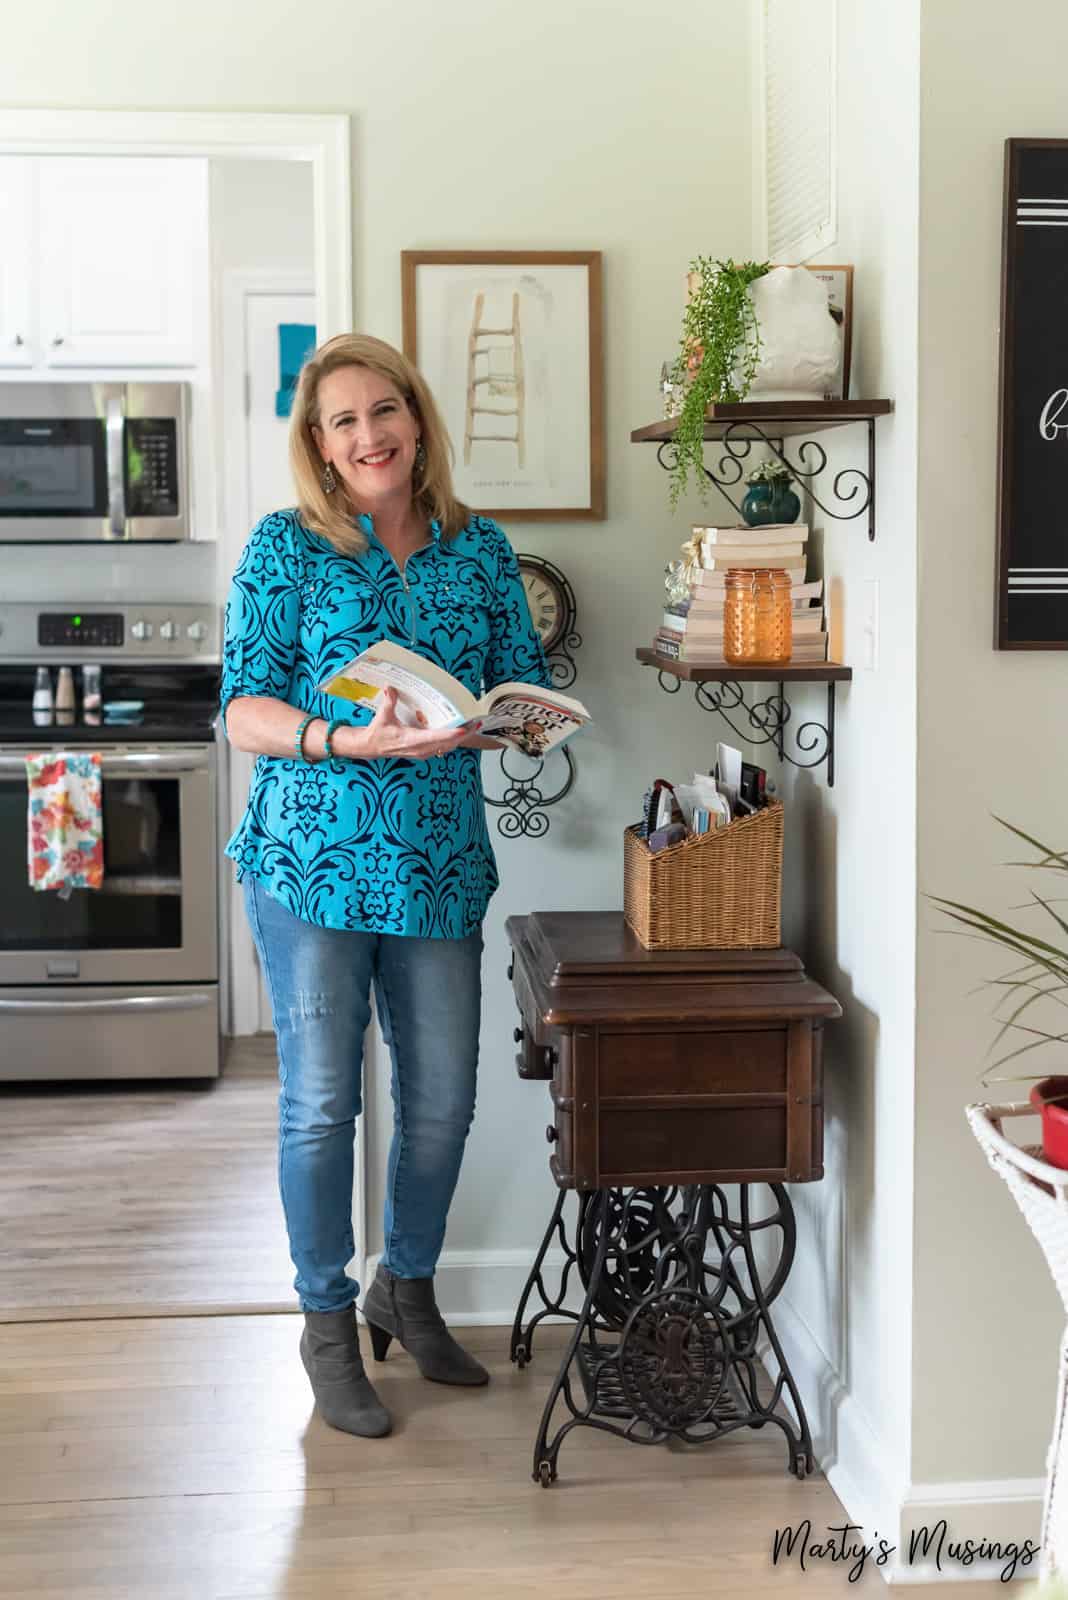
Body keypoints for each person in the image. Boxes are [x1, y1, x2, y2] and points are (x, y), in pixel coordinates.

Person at [221, 332, 551, 1439]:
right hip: (309, 865)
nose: (369, 435)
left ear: (418, 419)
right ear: (319, 444)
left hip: (440, 866)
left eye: (385, 411)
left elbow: (520, 690)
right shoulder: (287, 548)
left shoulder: (480, 547)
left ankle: (404, 1292)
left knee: (445, 1101)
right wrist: (340, 740)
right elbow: (242, 709)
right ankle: (324, 1325)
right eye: (345, 421)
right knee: (323, 1106)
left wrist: (518, 728)